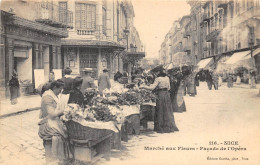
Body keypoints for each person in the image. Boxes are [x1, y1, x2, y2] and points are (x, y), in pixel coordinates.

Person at [38, 80, 71, 164]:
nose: (60, 92)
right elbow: (52, 114)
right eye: (59, 90)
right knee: (61, 134)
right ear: (54, 88)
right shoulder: (47, 97)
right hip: (48, 123)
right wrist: (65, 110)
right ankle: (56, 159)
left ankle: (61, 160)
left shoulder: (53, 95)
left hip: (53, 121)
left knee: (66, 132)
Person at [140, 69, 179, 133]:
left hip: (160, 94)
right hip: (167, 94)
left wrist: (143, 86)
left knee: (160, 110)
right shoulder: (167, 78)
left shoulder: (157, 79)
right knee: (167, 110)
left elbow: (152, 88)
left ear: (158, 72)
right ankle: (168, 126)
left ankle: (160, 127)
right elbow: (169, 87)